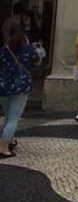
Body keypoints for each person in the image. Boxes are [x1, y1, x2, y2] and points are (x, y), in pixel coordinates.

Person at [0, 29, 41, 157]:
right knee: (13, 119)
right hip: (20, 87)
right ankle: (3, 148)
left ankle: (10, 140)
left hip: (3, 87)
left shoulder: (2, 50)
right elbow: (37, 62)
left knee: (8, 116)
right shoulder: (29, 49)